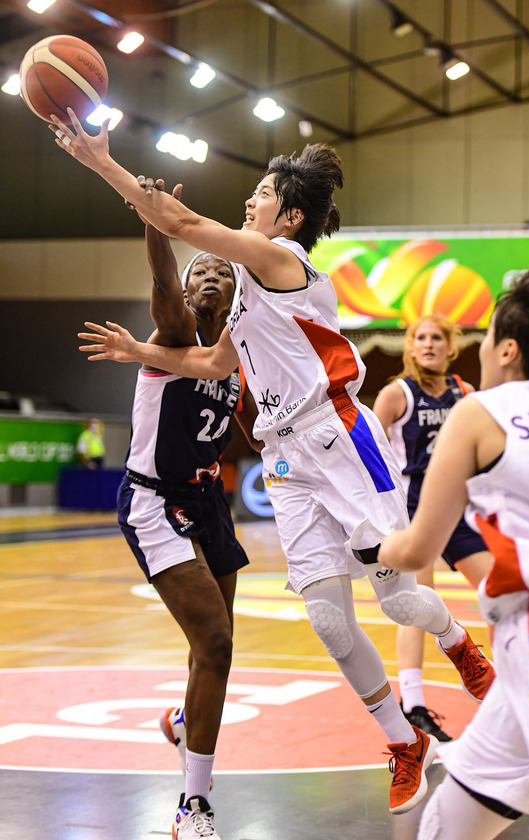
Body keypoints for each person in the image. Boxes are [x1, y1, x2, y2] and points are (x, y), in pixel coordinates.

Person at [51, 110, 494, 817]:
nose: (249, 201)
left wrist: (102, 161)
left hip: (338, 437)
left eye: (260, 194)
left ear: (288, 217)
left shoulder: (284, 262)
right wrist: (140, 354)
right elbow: (209, 360)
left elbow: (181, 223)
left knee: (396, 596)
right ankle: (402, 741)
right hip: (287, 459)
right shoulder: (250, 295)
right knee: (327, 618)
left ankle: (459, 646)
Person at [377, 266, 529, 838]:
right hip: (523, 638)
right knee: (452, 819)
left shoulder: (475, 409)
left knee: (415, 586)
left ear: (507, 349)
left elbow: (414, 548)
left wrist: (365, 539)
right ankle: (440, 674)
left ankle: (453, 654)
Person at [116, 182, 261, 840]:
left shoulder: (237, 358)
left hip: (207, 500)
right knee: (216, 640)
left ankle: (182, 723)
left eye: (219, 272)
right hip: (154, 499)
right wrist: (155, 221)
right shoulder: (174, 330)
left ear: (235, 294)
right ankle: (192, 805)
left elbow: (251, 435)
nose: (207, 276)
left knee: (215, 649)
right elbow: (161, 274)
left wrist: (286, 466)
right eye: (200, 268)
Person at [373, 315, 492, 742]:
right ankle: (414, 705)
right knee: (416, 604)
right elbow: (364, 445)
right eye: (419, 338)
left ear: (450, 347)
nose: (427, 344)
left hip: (458, 509)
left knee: (498, 589)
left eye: (436, 337)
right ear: (409, 347)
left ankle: (506, 685)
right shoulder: (396, 393)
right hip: (413, 511)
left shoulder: (466, 394)